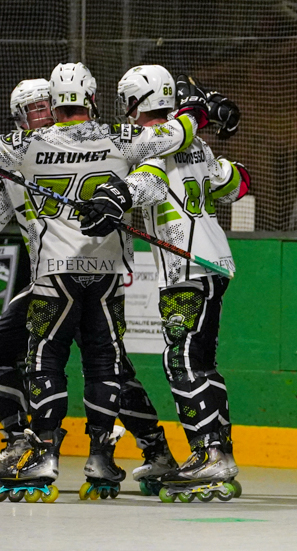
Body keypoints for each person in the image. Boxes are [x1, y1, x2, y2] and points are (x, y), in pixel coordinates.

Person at [0, 78, 177, 495]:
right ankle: (23, 443)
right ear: (19, 118)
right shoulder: (14, 165)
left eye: (44, 105)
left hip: (67, 277)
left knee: (103, 365)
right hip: (62, 278)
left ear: (56, 105)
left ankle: (145, 449)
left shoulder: (29, 152)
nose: (40, 115)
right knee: (2, 351)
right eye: (30, 110)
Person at [98, 65, 247, 501]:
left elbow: (149, 181)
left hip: (187, 268)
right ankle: (216, 451)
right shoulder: (195, 143)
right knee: (197, 360)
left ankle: (210, 453)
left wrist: (116, 198)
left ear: (135, 102)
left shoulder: (153, 145)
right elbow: (235, 185)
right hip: (211, 263)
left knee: (182, 360)